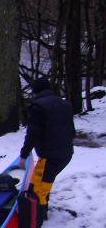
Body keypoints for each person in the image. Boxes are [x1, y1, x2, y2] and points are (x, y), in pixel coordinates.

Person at [18, 77, 75, 220]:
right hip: (66, 154)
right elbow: (71, 131)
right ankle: (39, 213)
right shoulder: (65, 104)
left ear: (35, 91)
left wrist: (24, 155)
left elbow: (32, 134)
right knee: (43, 184)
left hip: (50, 157)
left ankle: (37, 220)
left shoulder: (38, 107)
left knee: (38, 191)